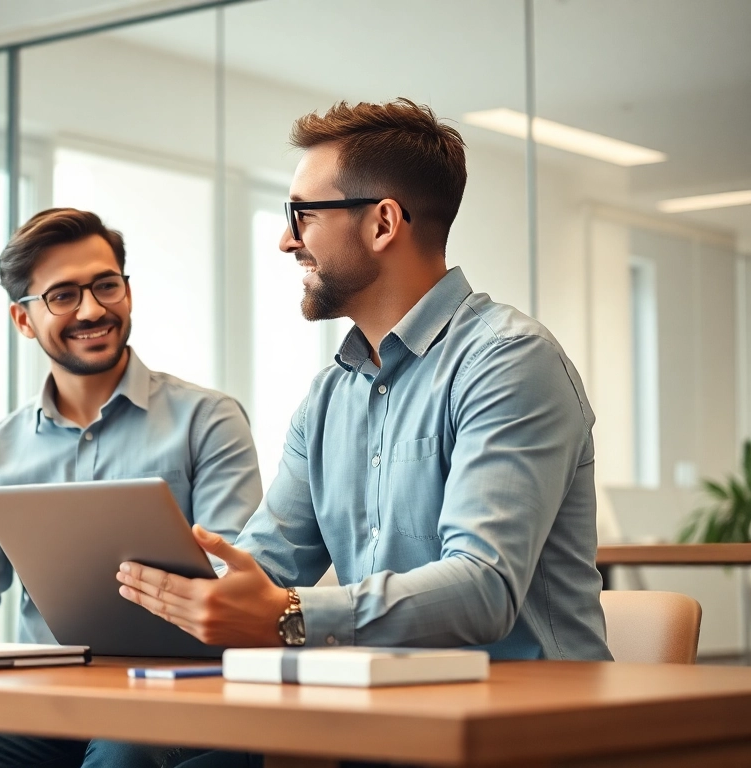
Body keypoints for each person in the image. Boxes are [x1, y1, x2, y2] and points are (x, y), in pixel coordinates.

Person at [116, 99, 612, 765]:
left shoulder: (508, 360)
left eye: (303, 215)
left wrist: (290, 615)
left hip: (521, 733)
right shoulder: (330, 396)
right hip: (382, 724)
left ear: (383, 222)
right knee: (129, 747)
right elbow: (264, 564)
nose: (287, 240)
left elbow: (482, 584)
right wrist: (149, 590)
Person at [0, 208, 263, 768]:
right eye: (63, 295)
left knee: (122, 757)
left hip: (176, 692)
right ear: (23, 320)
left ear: (128, 292)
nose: (92, 309)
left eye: (106, 286)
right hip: (49, 700)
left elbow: (235, 571)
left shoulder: (208, 419)